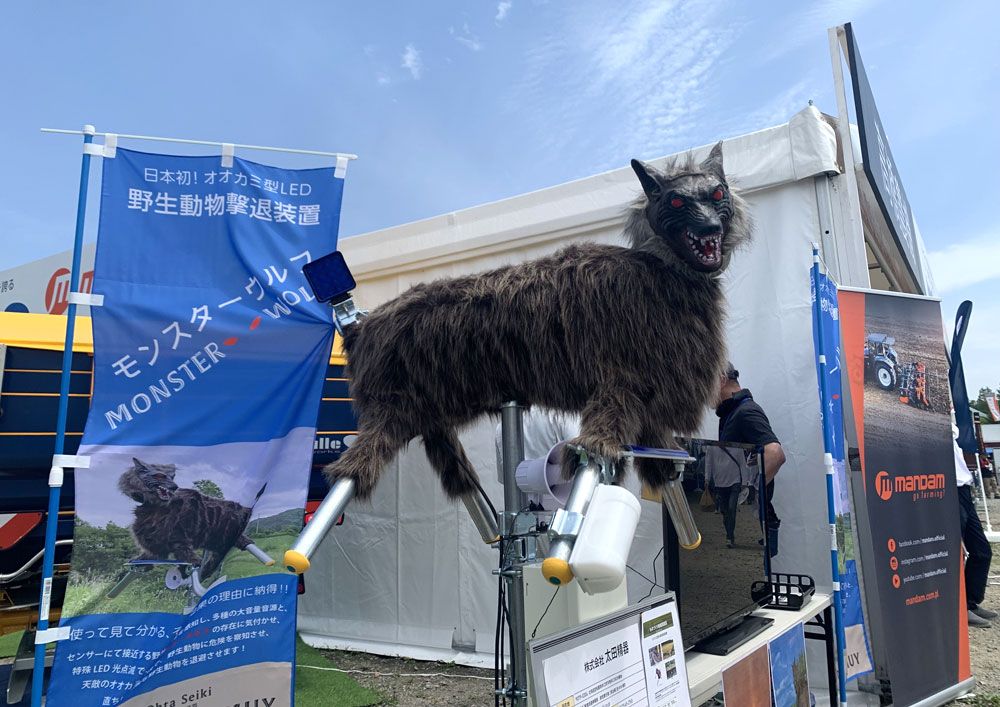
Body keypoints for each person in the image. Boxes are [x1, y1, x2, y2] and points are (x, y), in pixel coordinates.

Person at [715, 363, 786, 556]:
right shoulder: (732, 413)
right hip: (756, 522)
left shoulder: (745, 412)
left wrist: (751, 494)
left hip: (757, 521)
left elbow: (775, 454)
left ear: (721, 379)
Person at [953, 429, 996, 628]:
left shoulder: (951, 426)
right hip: (950, 491)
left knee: (982, 551)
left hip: (964, 490)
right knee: (956, 554)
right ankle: (961, 609)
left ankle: (970, 601)